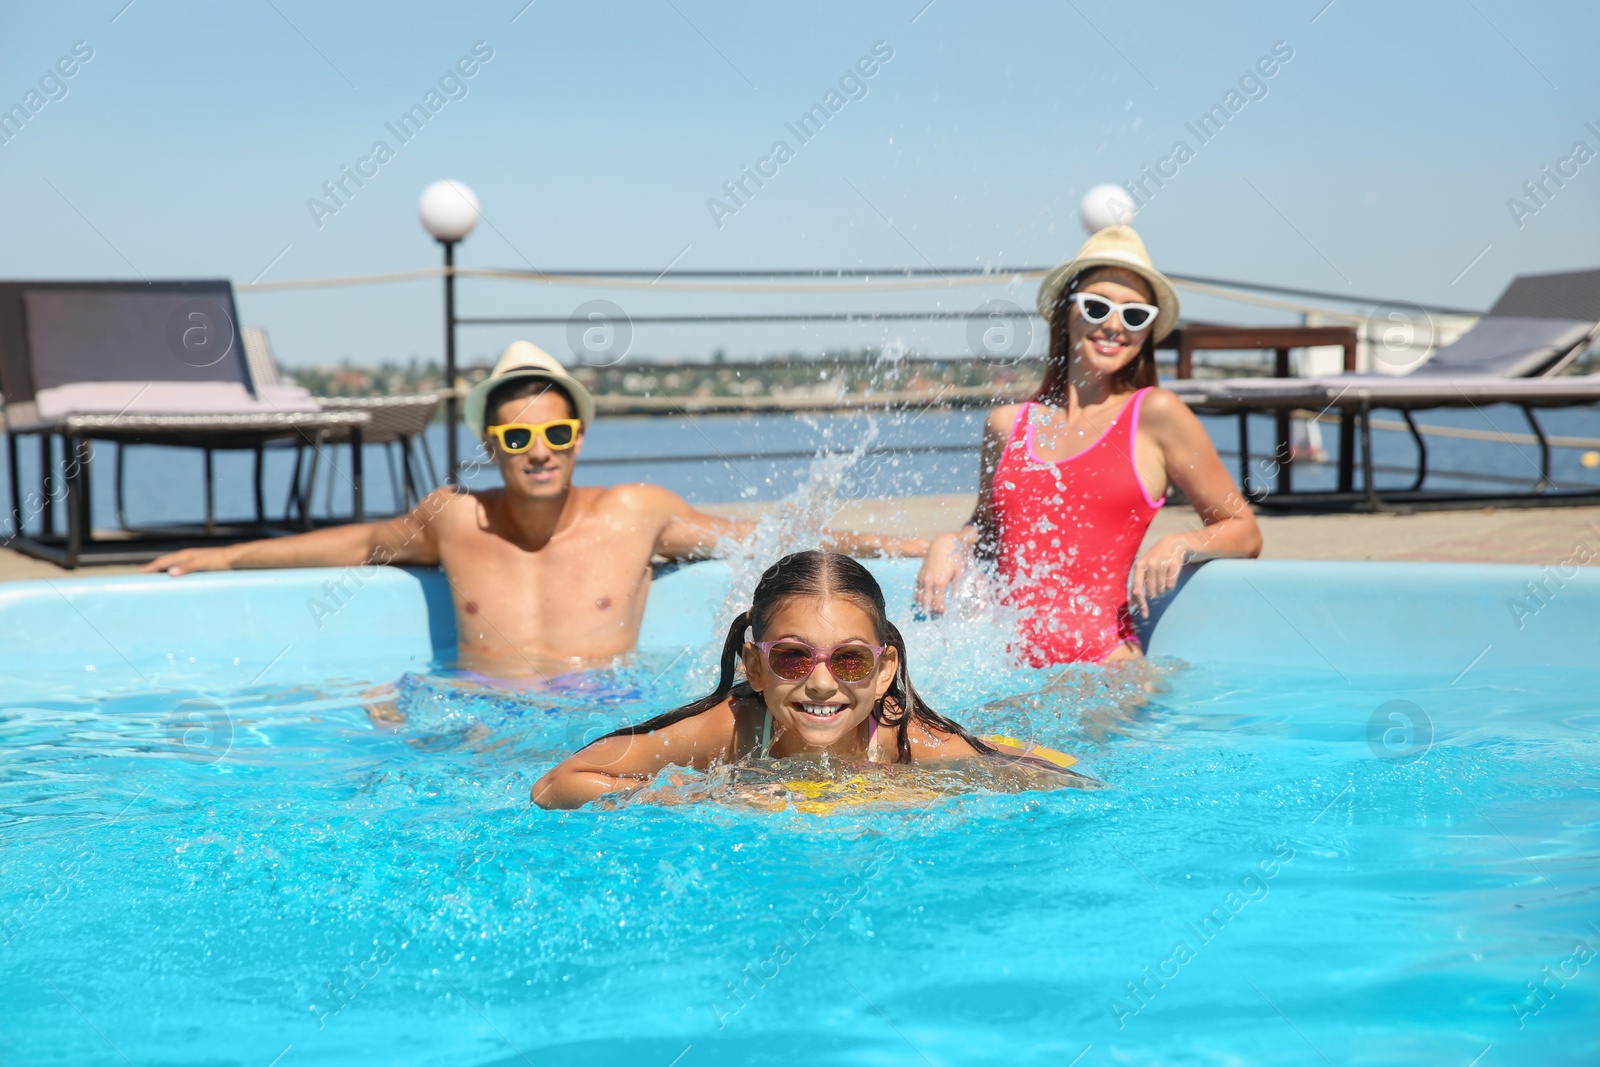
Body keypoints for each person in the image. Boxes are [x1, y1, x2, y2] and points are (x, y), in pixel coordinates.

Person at [144, 343, 928, 679]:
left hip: (600, 707)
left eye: (556, 431)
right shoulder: (455, 519)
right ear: (492, 441)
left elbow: (773, 539)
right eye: (518, 435)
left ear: (579, 435)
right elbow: (363, 543)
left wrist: (907, 543)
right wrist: (224, 556)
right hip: (474, 715)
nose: (539, 448)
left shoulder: (636, 513)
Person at [914, 226, 1261, 665]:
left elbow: (1244, 531)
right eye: (1097, 307)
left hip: (1103, 674)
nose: (1114, 325)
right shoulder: (1007, 425)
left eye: (1135, 315)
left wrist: (1180, 542)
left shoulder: (1156, 415)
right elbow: (991, 534)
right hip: (1003, 671)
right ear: (1066, 314)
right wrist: (950, 541)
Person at [532, 550, 1090, 810]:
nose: (821, 684)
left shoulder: (907, 743)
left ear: (883, 671)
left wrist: (910, 789)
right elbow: (557, 784)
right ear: (754, 666)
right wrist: (691, 797)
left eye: (849, 661)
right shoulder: (730, 728)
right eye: (793, 659)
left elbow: (1064, 782)